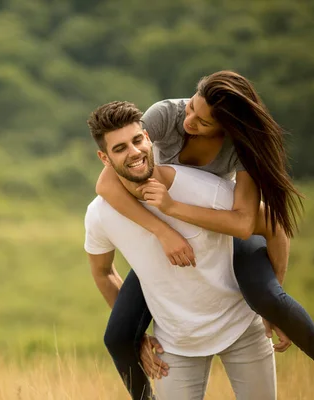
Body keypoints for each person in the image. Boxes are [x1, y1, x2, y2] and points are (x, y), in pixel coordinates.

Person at [94, 71, 314, 400]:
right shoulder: (166, 115)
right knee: (118, 336)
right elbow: (106, 182)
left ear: (227, 128)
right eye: (192, 107)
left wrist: (172, 207)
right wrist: (163, 230)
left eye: (203, 121)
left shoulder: (240, 148)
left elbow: (243, 224)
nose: (190, 121)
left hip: (218, 226)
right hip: (174, 237)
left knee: (266, 297)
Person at [84, 101, 276, 399]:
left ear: (148, 137)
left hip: (241, 328)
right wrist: (138, 338)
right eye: (119, 148)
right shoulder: (100, 214)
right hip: (175, 345)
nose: (133, 152)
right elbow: (102, 271)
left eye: (137, 140)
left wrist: (273, 302)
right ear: (104, 158)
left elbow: (268, 223)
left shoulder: (197, 187)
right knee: (116, 338)